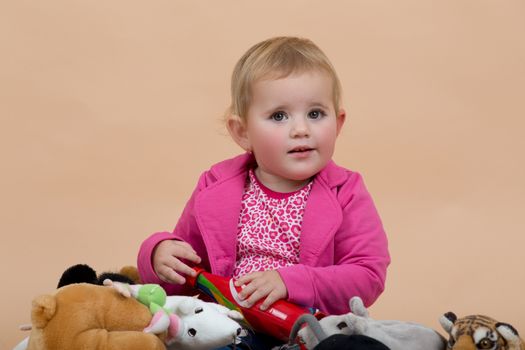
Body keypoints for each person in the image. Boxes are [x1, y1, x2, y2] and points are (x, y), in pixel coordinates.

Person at [137, 36, 390, 348]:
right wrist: (156, 253)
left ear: (338, 123)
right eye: (279, 116)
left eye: (315, 114)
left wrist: (292, 281)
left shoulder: (345, 190)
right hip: (230, 325)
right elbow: (185, 269)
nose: (301, 129)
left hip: (310, 329)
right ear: (243, 132)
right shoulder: (216, 186)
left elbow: (367, 275)